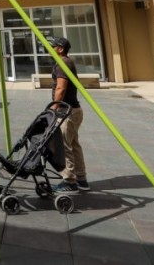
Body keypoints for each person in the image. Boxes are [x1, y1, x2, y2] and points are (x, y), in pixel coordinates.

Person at [50, 37, 90, 193]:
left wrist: (54, 107)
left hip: (67, 111)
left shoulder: (62, 63)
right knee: (73, 144)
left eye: (52, 46)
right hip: (74, 110)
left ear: (60, 49)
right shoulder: (67, 62)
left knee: (64, 146)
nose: (50, 48)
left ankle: (69, 180)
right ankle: (81, 179)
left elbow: (61, 88)